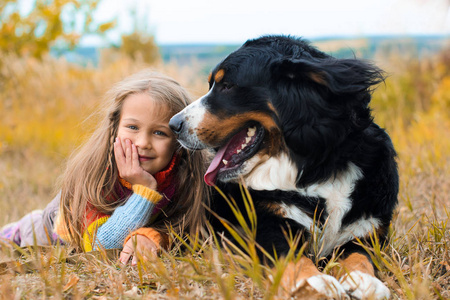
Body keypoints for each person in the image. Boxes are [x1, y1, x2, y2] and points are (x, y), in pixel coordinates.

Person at [0, 70, 209, 264]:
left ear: (179, 142)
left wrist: (153, 236)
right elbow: (100, 247)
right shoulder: (97, 174)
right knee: (16, 238)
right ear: (114, 130)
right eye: (133, 127)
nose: (143, 142)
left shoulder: (185, 177)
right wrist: (144, 192)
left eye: (159, 133)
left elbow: (182, 230)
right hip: (48, 232)